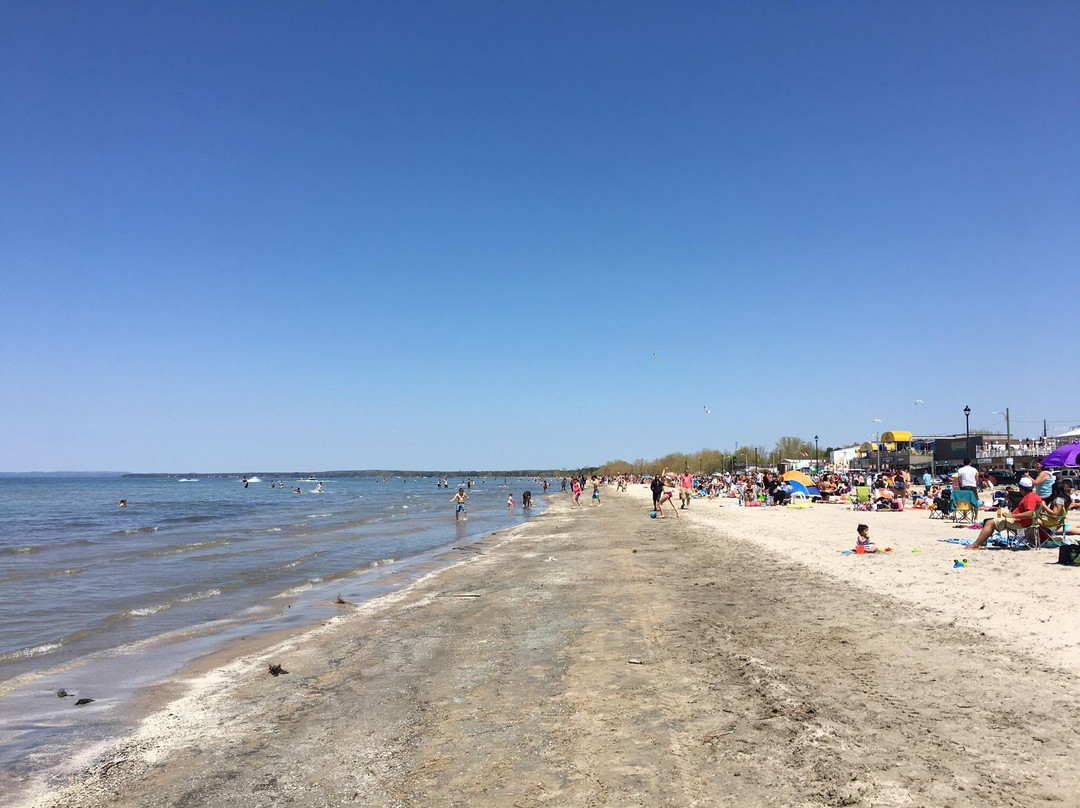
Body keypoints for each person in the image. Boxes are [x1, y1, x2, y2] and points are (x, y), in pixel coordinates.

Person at [969, 477, 1043, 549]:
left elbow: (1029, 513)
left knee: (989, 522)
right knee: (989, 521)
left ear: (1021, 488)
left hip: (1019, 522)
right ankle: (980, 543)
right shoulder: (1033, 496)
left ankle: (975, 545)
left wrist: (1012, 515)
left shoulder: (1029, 497)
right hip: (1023, 521)